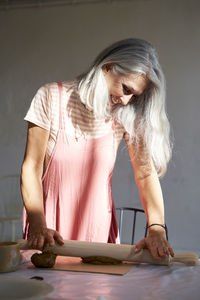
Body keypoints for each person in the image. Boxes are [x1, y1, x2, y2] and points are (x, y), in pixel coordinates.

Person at [21, 38, 174, 259]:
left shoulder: (124, 114)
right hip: (48, 233)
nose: (126, 100)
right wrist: (37, 225)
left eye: (134, 96)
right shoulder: (51, 97)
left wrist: (157, 229)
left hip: (97, 238)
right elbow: (31, 167)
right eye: (126, 89)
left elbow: (145, 174)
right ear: (108, 67)